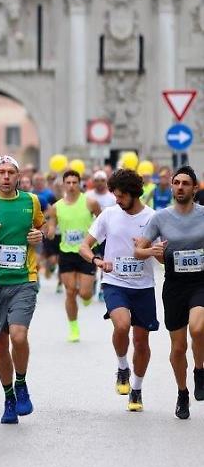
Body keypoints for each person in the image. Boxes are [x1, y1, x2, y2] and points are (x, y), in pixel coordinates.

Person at [79, 169, 158, 412]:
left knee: (142, 342)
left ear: (134, 194)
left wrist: (148, 251)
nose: (117, 200)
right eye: (115, 195)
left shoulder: (153, 218)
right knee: (122, 325)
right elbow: (84, 246)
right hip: (115, 282)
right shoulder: (109, 215)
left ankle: (136, 388)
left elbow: (163, 258)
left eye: (121, 196)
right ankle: (123, 366)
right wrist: (97, 261)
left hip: (143, 286)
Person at [0, 156, 45, 425]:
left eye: (11, 172)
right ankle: (8, 396)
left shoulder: (31, 201)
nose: (6, 176)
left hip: (24, 279)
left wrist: (39, 236)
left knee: (18, 336)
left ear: (19, 176)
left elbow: (41, 227)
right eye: (1, 172)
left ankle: (21, 383)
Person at [134, 166, 204, 419]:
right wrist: (151, 251)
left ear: (195, 188)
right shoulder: (160, 218)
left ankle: (199, 370)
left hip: (200, 283)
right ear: (172, 187)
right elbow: (138, 251)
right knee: (178, 348)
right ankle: (182, 392)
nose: (181, 187)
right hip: (174, 285)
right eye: (177, 183)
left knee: (197, 328)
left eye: (186, 183)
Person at [47, 170, 97, 341]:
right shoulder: (57, 207)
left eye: (74, 182)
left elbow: (102, 221)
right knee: (70, 291)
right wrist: (51, 231)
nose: (71, 186)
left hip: (86, 252)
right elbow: (52, 226)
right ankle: (73, 328)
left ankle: (87, 296)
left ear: (79, 183)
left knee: (84, 293)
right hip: (66, 252)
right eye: (68, 182)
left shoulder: (90, 202)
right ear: (63, 184)